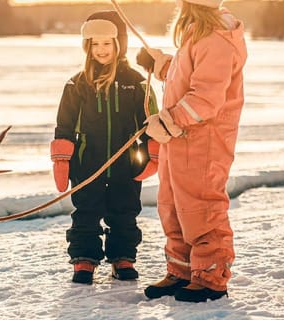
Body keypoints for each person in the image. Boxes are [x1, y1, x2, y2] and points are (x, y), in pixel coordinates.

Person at [136, 0, 246, 302]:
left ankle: (211, 275)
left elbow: (206, 97)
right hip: (180, 138)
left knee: (201, 205)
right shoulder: (199, 33)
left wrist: (169, 119)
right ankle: (182, 269)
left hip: (205, 140)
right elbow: (186, 75)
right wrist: (160, 65)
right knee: (172, 204)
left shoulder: (217, 38)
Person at [51, 10, 159, 285]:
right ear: (87, 46)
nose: (101, 50)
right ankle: (84, 259)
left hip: (126, 162)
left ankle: (122, 257)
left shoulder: (136, 82)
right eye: (95, 44)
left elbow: (151, 122)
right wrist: (63, 159)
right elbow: (64, 125)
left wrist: (152, 152)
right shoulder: (77, 84)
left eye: (107, 43)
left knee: (124, 211)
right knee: (86, 212)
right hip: (88, 162)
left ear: (118, 44)